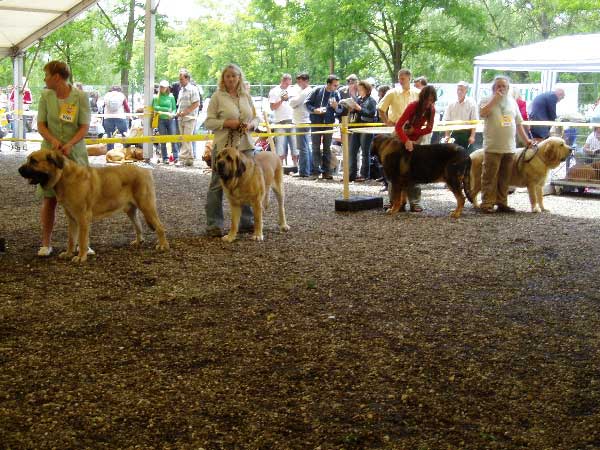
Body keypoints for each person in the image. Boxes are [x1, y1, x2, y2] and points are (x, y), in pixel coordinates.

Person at [35, 60, 91, 256]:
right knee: (49, 199)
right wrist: (53, 140)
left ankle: (84, 244)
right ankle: (46, 243)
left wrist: (70, 143)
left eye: (46, 74)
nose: (44, 78)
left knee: (81, 201)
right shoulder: (45, 96)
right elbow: (41, 125)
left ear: (56, 77)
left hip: (75, 154)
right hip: (49, 156)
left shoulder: (80, 97)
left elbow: (84, 126)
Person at [204, 63, 258, 237]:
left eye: (234, 76)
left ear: (239, 77)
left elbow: (256, 118)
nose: (231, 79)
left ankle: (246, 222)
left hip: (246, 146)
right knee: (217, 184)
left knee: (247, 182)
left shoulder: (246, 96)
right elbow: (208, 122)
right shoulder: (217, 97)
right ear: (223, 79)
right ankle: (214, 224)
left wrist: (251, 125)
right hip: (223, 148)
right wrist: (227, 123)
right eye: (228, 76)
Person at [479, 75, 532, 214]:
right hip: (492, 146)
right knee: (489, 176)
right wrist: (494, 100)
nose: (501, 88)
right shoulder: (486, 99)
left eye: (504, 86)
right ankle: (487, 203)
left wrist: (526, 140)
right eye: (498, 86)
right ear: (494, 88)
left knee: (505, 177)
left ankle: (502, 202)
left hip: (509, 147)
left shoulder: (512, 102)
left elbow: (519, 123)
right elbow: (482, 113)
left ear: (508, 88)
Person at [378, 68, 421, 209]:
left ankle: (414, 202)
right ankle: (394, 201)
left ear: (409, 78)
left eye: (403, 78)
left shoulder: (418, 94)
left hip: (413, 133)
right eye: (399, 78)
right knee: (393, 167)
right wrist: (387, 121)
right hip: (397, 133)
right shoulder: (392, 93)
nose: (400, 81)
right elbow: (381, 108)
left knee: (414, 167)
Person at [304, 74, 342, 180]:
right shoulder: (317, 90)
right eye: (335, 85)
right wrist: (314, 110)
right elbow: (306, 103)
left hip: (329, 123)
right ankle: (315, 171)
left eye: (337, 85)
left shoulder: (336, 93)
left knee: (327, 148)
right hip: (316, 122)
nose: (336, 87)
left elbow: (340, 109)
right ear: (328, 84)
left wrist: (336, 107)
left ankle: (327, 172)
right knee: (315, 147)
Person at [348, 80, 377, 182]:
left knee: (365, 152)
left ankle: (364, 175)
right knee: (352, 151)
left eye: (361, 89)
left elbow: (371, 113)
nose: (359, 91)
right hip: (356, 128)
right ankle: (351, 174)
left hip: (366, 128)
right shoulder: (358, 100)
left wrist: (359, 109)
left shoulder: (371, 100)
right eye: (358, 89)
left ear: (367, 90)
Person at [269, 73, 297, 166]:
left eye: (289, 84)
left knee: (295, 146)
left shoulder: (293, 90)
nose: (288, 86)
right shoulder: (274, 91)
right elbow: (272, 107)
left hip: (293, 121)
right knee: (280, 147)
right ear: (282, 81)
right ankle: (280, 167)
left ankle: (296, 166)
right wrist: (281, 100)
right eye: (286, 84)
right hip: (280, 122)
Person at [288, 72, 313, 177]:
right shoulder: (303, 91)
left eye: (300, 81)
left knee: (302, 147)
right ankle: (308, 169)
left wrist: (292, 100)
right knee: (306, 147)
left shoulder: (306, 91)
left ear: (306, 81)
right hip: (301, 120)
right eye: (297, 81)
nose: (298, 83)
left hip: (302, 121)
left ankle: (303, 171)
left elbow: (293, 102)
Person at [443, 81, 478, 153]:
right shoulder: (451, 103)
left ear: (466, 91)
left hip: (466, 134)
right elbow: (447, 121)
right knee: (452, 155)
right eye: (458, 89)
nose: (459, 91)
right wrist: (447, 135)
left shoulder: (472, 103)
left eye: (462, 90)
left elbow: (474, 121)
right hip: (453, 133)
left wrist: (472, 136)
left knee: (466, 155)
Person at [176, 69, 200, 166]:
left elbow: (196, 103)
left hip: (190, 118)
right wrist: (178, 113)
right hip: (180, 118)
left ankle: (181, 159)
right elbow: (180, 104)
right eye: (179, 79)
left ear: (187, 79)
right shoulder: (181, 90)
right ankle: (189, 159)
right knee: (185, 139)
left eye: (181, 79)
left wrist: (185, 112)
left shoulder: (193, 89)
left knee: (185, 138)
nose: (180, 81)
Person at [152, 80, 178, 164]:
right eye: (161, 87)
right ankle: (165, 157)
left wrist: (173, 114)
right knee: (163, 139)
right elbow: (155, 107)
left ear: (167, 88)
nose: (162, 88)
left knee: (173, 139)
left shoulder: (171, 97)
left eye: (164, 87)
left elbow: (174, 108)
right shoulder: (156, 97)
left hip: (170, 119)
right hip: (161, 120)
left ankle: (176, 157)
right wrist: (166, 110)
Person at [103, 85, 130, 150]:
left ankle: (110, 152)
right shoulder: (121, 95)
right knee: (124, 134)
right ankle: (126, 150)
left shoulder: (106, 95)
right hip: (120, 116)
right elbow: (126, 107)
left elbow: (103, 106)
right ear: (120, 90)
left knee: (109, 135)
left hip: (108, 117)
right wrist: (129, 114)